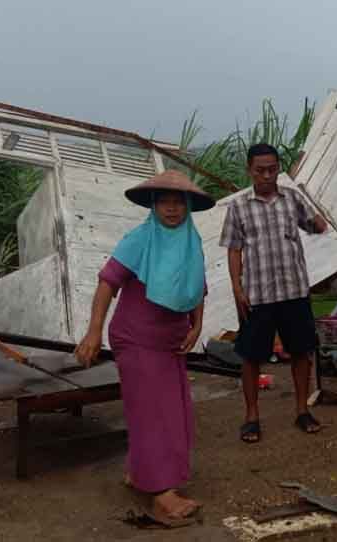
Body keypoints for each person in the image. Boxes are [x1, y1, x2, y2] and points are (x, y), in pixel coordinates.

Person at [75, 170, 214, 525]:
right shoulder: (138, 239)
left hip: (170, 341)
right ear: (153, 205)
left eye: (178, 202)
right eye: (164, 201)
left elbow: (198, 285)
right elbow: (108, 283)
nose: (171, 209)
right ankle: (162, 493)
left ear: (187, 207)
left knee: (170, 410)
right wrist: (93, 333)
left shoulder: (190, 241)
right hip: (136, 338)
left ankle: (140, 472)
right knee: (154, 414)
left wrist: (196, 325)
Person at [219, 143, 329, 443]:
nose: (267, 176)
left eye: (272, 169)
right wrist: (237, 288)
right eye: (260, 171)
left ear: (278, 167)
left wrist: (317, 210)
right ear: (249, 170)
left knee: (301, 352)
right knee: (251, 356)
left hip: (294, 290)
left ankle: (301, 410)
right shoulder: (239, 207)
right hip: (258, 295)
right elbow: (234, 250)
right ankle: (251, 416)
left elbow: (319, 227)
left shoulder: (292, 199)